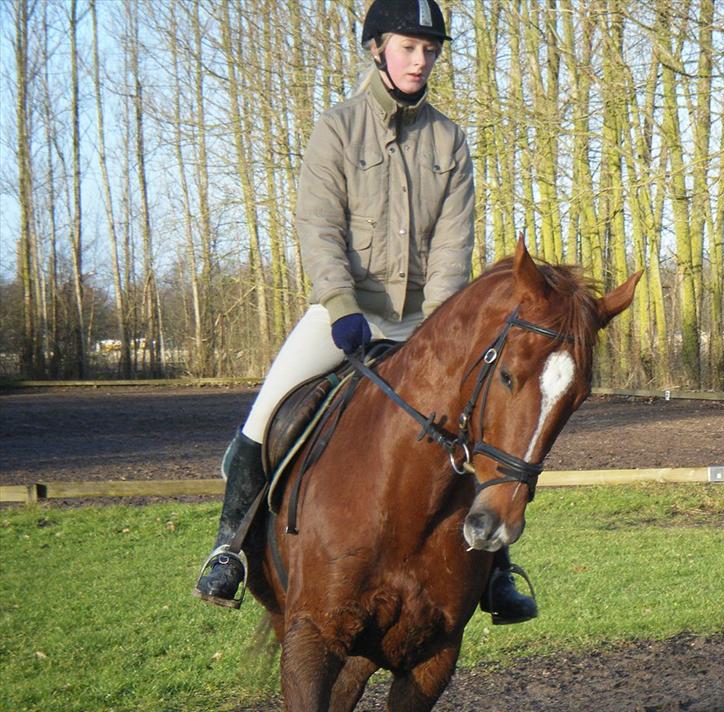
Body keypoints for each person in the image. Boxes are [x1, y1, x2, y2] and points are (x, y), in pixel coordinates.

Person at [193, 0, 537, 624]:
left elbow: (452, 244)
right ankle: (229, 549)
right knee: (262, 415)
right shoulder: (337, 129)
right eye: (409, 47)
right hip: (344, 313)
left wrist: (442, 331)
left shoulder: (450, 140)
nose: (421, 59)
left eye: (430, 50)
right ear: (377, 48)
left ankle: (498, 572)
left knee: (485, 430)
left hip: (425, 323)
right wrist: (341, 304)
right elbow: (318, 227)